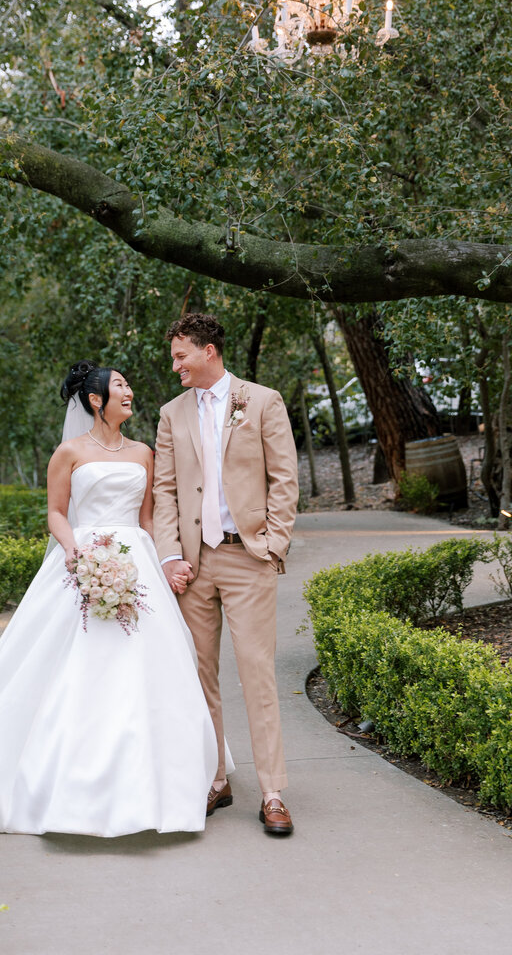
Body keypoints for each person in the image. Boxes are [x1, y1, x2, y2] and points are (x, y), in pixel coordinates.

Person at [0, 359, 220, 837]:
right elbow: (57, 513)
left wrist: (166, 561)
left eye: (127, 385)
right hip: (83, 557)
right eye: (120, 385)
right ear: (97, 400)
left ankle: (158, 774)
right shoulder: (68, 453)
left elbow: (147, 519)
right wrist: (75, 550)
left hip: (137, 559)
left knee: (152, 666)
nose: (129, 391)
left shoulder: (144, 452)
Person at [153, 313, 299, 836]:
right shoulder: (171, 414)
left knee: (257, 673)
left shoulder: (262, 401)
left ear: (209, 351)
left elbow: (284, 477)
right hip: (193, 566)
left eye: (181, 356)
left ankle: (273, 792)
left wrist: (273, 545)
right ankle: (215, 778)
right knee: (198, 676)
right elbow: (165, 490)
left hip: (247, 557)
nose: (175, 366)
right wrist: (170, 556)